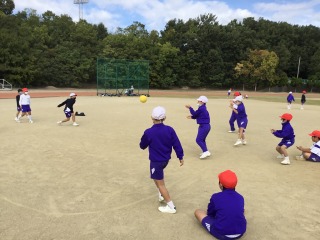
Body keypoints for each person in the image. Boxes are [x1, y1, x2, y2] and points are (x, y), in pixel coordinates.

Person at [139, 106, 184, 214]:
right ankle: (161, 194)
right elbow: (176, 144)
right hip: (165, 160)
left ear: (151, 117)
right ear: (164, 118)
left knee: (161, 184)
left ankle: (171, 206)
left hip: (156, 162)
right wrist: (180, 156)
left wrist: (145, 139)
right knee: (156, 178)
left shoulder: (149, 132)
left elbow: (142, 145)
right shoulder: (169, 129)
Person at [194, 170, 247, 239]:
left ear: (221, 184)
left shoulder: (216, 197)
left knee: (198, 212)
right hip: (240, 232)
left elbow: (210, 214)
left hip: (221, 233)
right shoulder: (240, 197)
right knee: (240, 210)